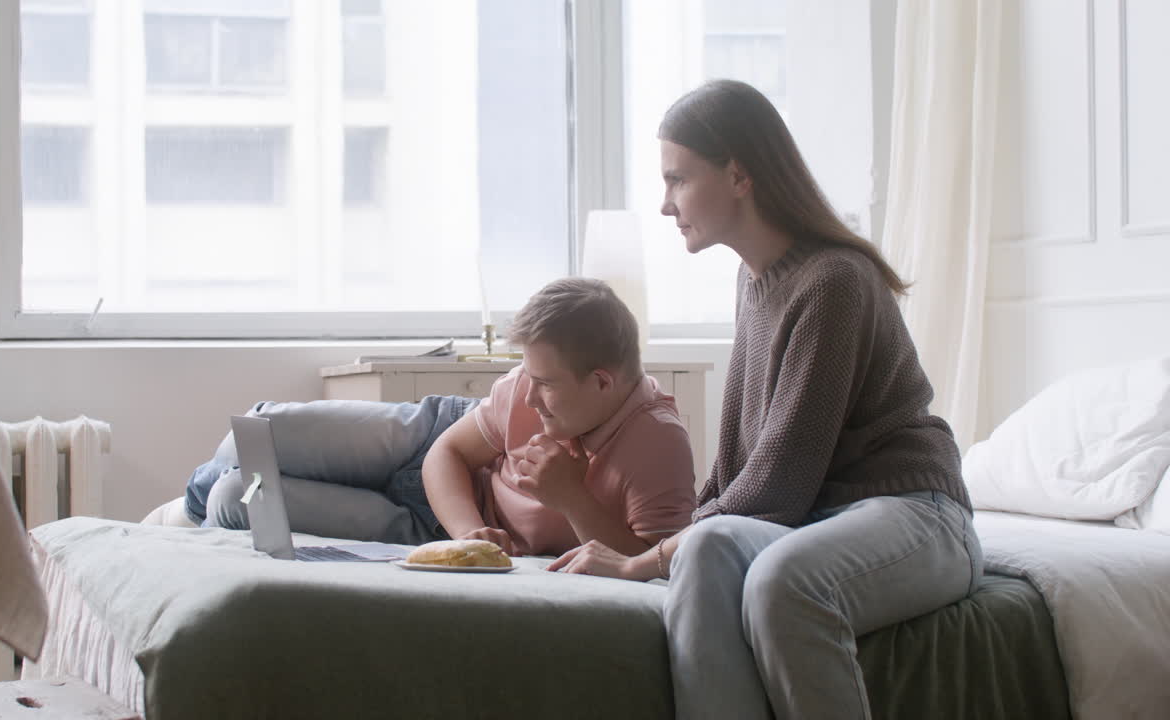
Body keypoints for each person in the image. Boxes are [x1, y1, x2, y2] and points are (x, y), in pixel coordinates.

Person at [547, 79, 984, 719]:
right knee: (708, 547)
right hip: (817, 520)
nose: (666, 205)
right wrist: (681, 545)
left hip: (918, 514)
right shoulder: (753, 285)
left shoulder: (835, 281)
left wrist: (645, 560)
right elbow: (736, 468)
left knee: (786, 584)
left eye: (678, 180)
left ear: (739, 176)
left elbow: (779, 483)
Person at [184, 277, 696, 557]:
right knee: (252, 437)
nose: (531, 398)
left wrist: (571, 501)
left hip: (426, 530)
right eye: (528, 377)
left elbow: (653, 562)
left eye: (545, 385)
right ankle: (187, 504)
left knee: (237, 498)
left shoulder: (657, 444)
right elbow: (447, 452)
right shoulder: (527, 386)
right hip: (429, 442)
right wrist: (468, 524)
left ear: (602, 381)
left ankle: (202, 504)